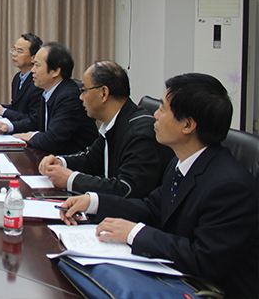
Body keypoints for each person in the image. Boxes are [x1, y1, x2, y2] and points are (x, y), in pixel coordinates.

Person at [60, 73, 259, 299]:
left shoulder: (230, 187)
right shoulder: (181, 162)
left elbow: (203, 260)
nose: (155, 114)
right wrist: (94, 202)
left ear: (187, 125)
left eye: (163, 109)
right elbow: (152, 208)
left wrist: (134, 233)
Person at [38, 61, 173, 198]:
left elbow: (126, 189)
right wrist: (61, 162)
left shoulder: (139, 134)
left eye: (84, 91)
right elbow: (92, 160)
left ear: (103, 93)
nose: (81, 97)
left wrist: (71, 180)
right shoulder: (115, 123)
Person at [0, 42, 97, 155]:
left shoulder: (69, 97)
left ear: (55, 71)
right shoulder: (49, 92)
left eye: (37, 65)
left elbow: (53, 140)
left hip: (72, 161)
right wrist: (8, 127)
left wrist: (31, 136)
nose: (33, 70)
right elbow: (35, 121)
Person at [0, 33, 43, 127]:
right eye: (14, 50)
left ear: (33, 58)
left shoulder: (38, 82)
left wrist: (3, 111)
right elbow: (17, 107)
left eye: (20, 51)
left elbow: (33, 120)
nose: (14, 54)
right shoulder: (17, 77)